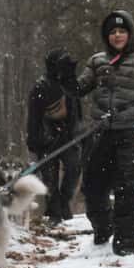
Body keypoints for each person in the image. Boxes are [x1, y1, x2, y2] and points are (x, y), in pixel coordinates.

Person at [60, 10, 134, 255]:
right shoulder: (97, 61)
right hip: (101, 131)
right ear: (107, 36)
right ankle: (103, 230)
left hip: (132, 131)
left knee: (127, 187)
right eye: (113, 32)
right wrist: (65, 76)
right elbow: (79, 89)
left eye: (122, 31)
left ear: (130, 33)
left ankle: (126, 243)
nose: (117, 35)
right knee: (93, 186)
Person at [26, 48, 83, 224]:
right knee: (49, 178)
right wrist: (35, 140)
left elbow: (77, 111)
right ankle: (55, 213)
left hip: (69, 137)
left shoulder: (71, 84)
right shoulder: (40, 87)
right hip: (46, 140)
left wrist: (75, 132)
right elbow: (33, 116)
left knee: (73, 169)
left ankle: (63, 203)